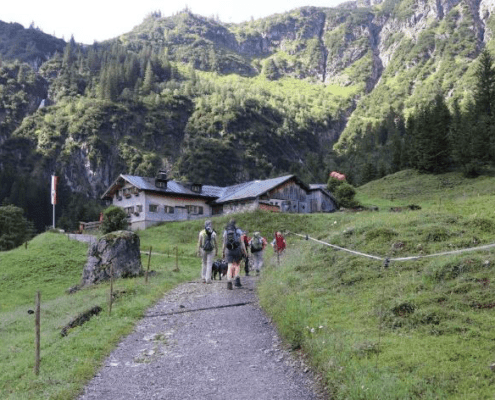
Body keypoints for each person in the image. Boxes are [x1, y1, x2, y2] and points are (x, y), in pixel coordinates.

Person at [222, 219, 247, 290]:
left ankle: (229, 282)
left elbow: (224, 243)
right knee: (237, 265)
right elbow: (242, 242)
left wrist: (223, 252)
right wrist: (245, 251)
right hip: (237, 250)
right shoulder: (238, 231)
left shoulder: (226, 231)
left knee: (230, 266)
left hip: (228, 250)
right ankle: (237, 279)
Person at [197, 220, 218, 284]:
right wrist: (217, 251)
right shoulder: (213, 233)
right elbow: (216, 243)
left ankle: (203, 278)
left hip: (203, 249)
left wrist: (198, 251)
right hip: (211, 250)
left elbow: (199, 243)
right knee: (209, 264)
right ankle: (208, 279)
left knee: (204, 263)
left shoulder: (201, 233)